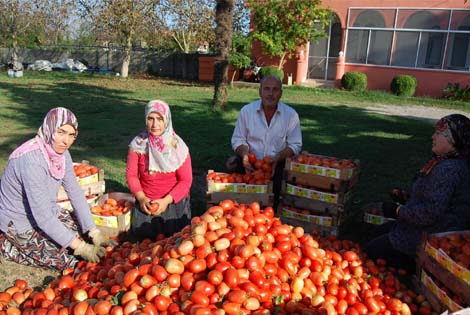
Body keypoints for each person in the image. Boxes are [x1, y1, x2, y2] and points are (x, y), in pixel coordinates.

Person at [0, 107, 113, 271]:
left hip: (47, 210)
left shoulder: (62, 155)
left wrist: (93, 231)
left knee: (80, 234)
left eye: (71, 135)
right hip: (19, 220)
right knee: (67, 259)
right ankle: (6, 244)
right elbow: (42, 216)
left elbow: (74, 191)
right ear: (49, 128)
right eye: (61, 132)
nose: (65, 141)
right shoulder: (32, 161)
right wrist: (81, 248)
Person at [365, 114, 470, 271]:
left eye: (438, 134)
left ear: (453, 140)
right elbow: (433, 197)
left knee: (372, 249)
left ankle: (417, 264)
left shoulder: (448, 169)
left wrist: (397, 210)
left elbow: (429, 214)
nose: (432, 136)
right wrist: (406, 198)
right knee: (376, 232)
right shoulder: (447, 161)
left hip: (432, 232)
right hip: (426, 224)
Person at [227, 75, 302, 206]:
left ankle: (274, 207)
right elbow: (238, 139)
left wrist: (278, 157)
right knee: (232, 167)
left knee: (279, 184)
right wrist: (245, 155)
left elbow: (295, 145)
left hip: (277, 162)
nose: (270, 94)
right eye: (267, 89)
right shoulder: (247, 111)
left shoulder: (291, 115)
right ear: (260, 92)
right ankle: (241, 204)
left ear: (281, 93)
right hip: (250, 162)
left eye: (275, 90)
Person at [126, 100, 192, 240]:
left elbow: (185, 181)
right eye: (150, 119)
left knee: (174, 242)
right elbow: (131, 176)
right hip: (147, 202)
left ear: (167, 120)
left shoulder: (178, 147)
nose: (155, 125)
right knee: (143, 244)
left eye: (160, 119)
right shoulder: (138, 144)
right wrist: (142, 198)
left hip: (173, 202)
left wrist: (166, 201)